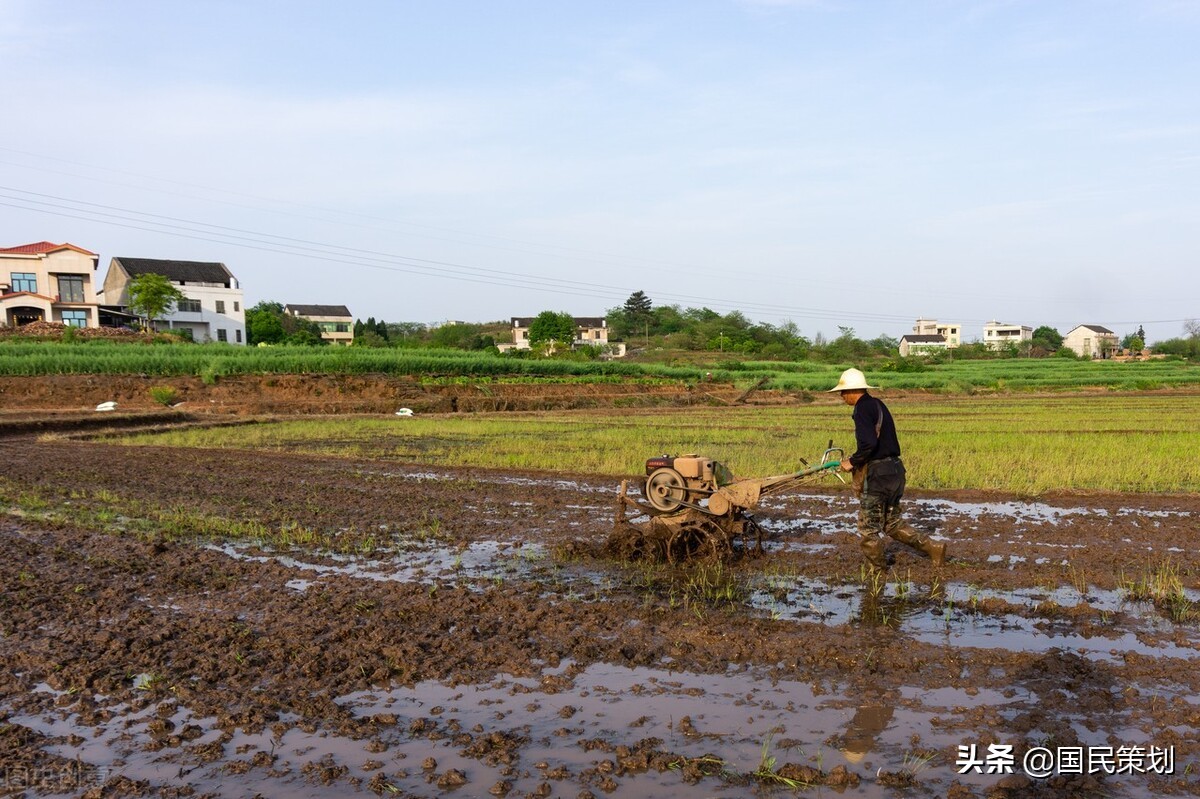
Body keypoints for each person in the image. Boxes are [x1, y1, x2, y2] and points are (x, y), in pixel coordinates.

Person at [828, 368, 946, 570]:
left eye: (843, 391)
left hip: (878, 475)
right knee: (891, 523)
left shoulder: (861, 409)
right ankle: (933, 548)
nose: (841, 395)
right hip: (895, 470)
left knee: (868, 527)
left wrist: (852, 461)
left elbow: (869, 444)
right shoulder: (877, 404)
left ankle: (877, 569)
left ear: (853, 390)